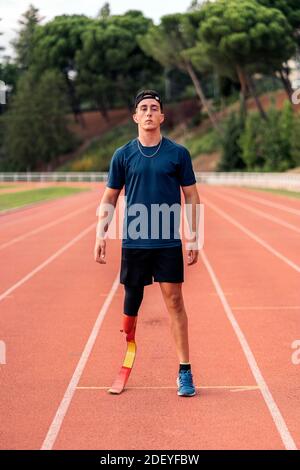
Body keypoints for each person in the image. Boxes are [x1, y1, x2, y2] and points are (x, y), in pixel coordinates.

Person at [94, 89, 200, 397]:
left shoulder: (178, 154)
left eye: (155, 108)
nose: (150, 112)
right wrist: (100, 234)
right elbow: (110, 197)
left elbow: (191, 195)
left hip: (167, 241)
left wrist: (194, 234)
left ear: (162, 117)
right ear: (136, 117)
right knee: (131, 306)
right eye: (144, 108)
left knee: (175, 303)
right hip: (135, 242)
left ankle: (185, 372)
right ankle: (127, 359)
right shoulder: (123, 155)